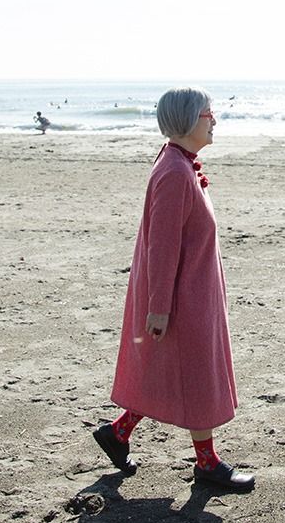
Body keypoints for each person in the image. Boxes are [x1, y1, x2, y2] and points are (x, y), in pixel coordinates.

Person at [93, 86, 252, 491]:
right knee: (198, 376)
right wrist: (159, 308)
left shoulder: (179, 163)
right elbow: (161, 247)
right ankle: (207, 464)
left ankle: (118, 433)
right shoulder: (175, 172)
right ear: (188, 120)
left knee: (166, 371)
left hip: (193, 291)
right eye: (208, 114)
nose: (214, 120)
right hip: (184, 297)